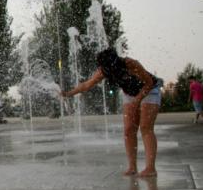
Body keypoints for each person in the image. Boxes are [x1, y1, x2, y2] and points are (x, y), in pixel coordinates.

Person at [62, 48, 161, 177]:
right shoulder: (105, 70)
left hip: (149, 90)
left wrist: (137, 100)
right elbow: (86, 85)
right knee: (128, 130)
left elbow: (149, 82)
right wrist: (68, 94)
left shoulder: (130, 64)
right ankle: (132, 166)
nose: (106, 70)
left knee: (145, 127)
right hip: (130, 94)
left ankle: (150, 168)